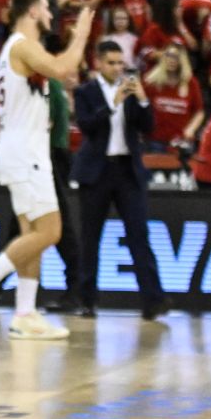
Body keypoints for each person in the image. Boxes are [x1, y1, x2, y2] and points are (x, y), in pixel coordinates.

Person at [0, 0, 99, 339]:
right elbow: (64, 69)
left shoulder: (17, 48)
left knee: (33, 234)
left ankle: (24, 313)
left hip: (23, 151)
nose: (51, 14)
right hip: (26, 153)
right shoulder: (22, 45)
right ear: (33, 11)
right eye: (47, 7)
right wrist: (81, 35)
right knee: (50, 232)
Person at [71, 40, 167, 318]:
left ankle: (153, 300)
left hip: (127, 170)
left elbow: (148, 127)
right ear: (99, 63)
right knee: (91, 238)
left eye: (120, 63)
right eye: (111, 62)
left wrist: (143, 99)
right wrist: (112, 105)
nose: (116, 68)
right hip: (96, 171)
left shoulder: (131, 90)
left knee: (139, 235)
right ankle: (87, 300)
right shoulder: (85, 92)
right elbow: (87, 126)